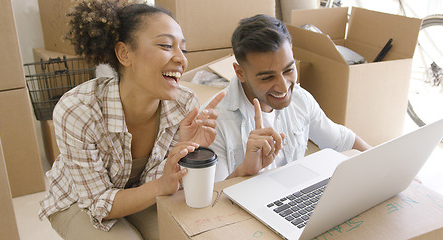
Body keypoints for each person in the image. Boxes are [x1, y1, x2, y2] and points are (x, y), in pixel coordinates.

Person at [38, 1, 225, 240]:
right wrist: (162, 186)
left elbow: (166, 182)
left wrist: (185, 152)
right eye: (166, 45)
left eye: (184, 50)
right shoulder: (78, 110)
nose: (181, 59)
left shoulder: (184, 104)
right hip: (80, 201)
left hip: (144, 191)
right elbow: (97, 203)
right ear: (124, 53)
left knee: (186, 234)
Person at [205, 14, 371, 182]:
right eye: (267, 78)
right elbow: (212, 199)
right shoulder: (213, 121)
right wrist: (244, 171)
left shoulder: (300, 99)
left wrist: (387, 166)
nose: (284, 87)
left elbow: (343, 141)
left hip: (291, 200)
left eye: (288, 70)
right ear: (240, 72)